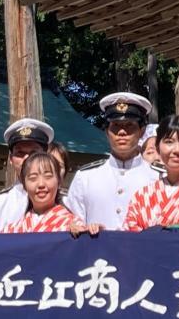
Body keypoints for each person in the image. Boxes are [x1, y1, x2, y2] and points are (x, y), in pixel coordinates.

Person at [68, 93, 160, 230]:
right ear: (106, 131)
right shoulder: (85, 177)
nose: (122, 132)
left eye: (129, 125)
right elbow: (73, 224)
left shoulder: (158, 177)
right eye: (115, 125)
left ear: (142, 131)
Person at [0, 119, 54, 233]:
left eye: (33, 153)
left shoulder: (65, 201)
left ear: (46, 156)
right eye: (20, 153)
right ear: (11, 159)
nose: (26, 158)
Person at [0, 151, 98, 234]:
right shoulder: (12, 230)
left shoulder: (72, 224)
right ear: (24, 185)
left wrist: (90, 233)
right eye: (33, 178)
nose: (41, 184)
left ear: (59, 181)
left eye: (48, 176)